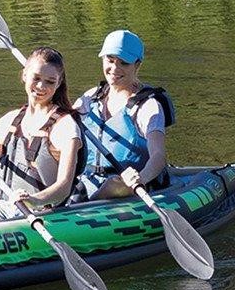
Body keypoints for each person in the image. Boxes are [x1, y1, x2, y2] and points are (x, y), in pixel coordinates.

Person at [0, 47, 82, 223]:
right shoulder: (9, 120)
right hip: (6, 208)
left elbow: (64, 187)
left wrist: (33, 200)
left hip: (47, 215)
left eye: (50, 82)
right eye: (36, 78)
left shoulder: (65, 126)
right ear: (24, 76)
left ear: (58, 84)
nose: (41, 86)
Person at [73, 29, 174, 201]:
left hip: (126, 186)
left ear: (137, 65)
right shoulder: (90, 98)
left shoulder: (147, 107)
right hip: (87, 180)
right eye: (110, 60)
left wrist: (140, 178)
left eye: (124, 63)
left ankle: (88, 204)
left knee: (113, 185)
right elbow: (63, 123)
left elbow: (158, 157)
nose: (114, 68)